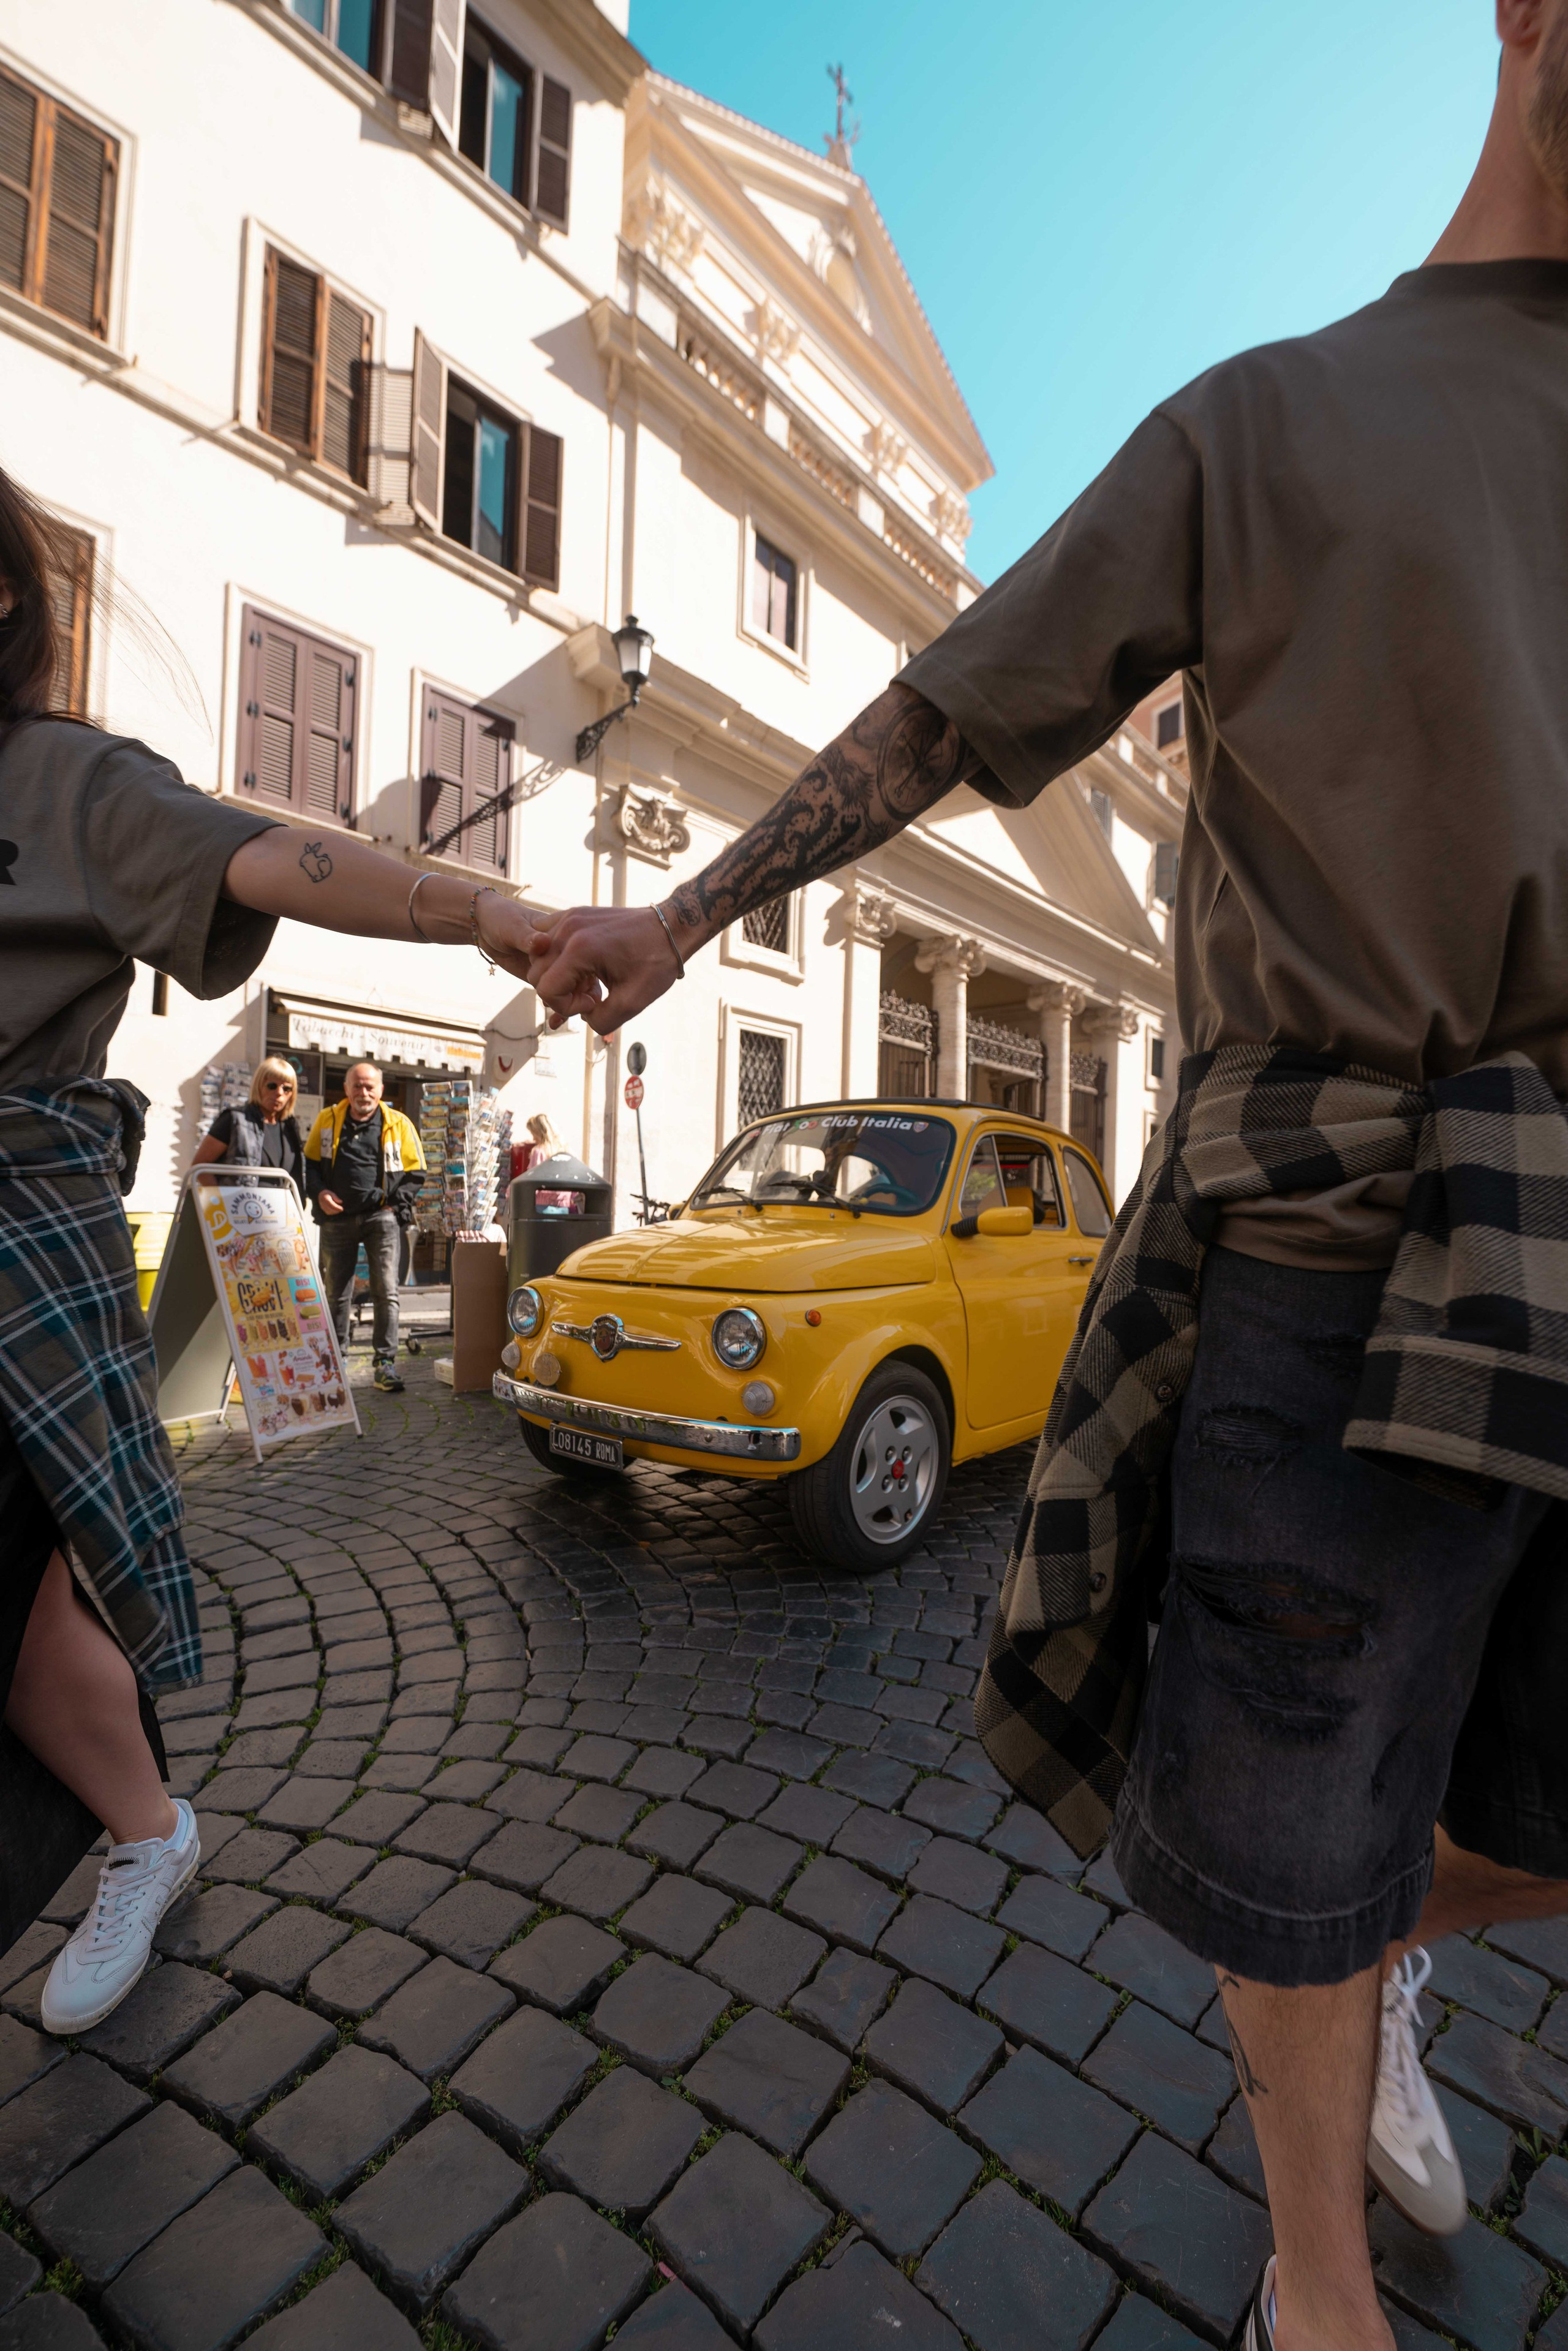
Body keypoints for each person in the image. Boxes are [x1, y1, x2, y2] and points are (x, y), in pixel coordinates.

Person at [526, 12, 1568, 2347]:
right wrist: (682, 917)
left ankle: (1386, 1941)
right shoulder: (1269, 415)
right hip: (1332, 1244)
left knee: (1416, 1840)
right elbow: (959, 699)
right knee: (1281, 1852)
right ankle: (1317, 2285)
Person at [0, 462, 545, 2034]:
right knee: (38, 1628)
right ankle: (151, 1833)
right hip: (268, 1233)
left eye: (354, 1084)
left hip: (38, 1244)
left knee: (34, 1601)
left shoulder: (63, 782)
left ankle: (149, 1836)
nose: (347, 1088)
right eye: (342, 1081)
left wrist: (481, 910)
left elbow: (267, 852)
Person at [303, 1063, 423, 1395]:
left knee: (387, 1291)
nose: (364, 1093)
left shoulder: (398, 1123)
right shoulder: (328, 1119)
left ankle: (385, 1363)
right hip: (336, 1219)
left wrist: (394, 1207)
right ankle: (335, 1361)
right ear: (346, 1088)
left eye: (370, 1087)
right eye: (357, 1086)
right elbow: (309, 1165)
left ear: (381, 1090)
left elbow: (416, 1172)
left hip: (379, 1218)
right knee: (336, 1294)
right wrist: (320, 1194)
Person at [190, 1056, 305, 1190]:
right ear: (259, 1085)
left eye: (287, 1089)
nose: (279, 1093)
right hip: (239, 1206)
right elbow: (201, 1166)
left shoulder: (290, 1127)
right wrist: (221, 1202)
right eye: (272, 1086)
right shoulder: (235, 1119)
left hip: (279, 1208)